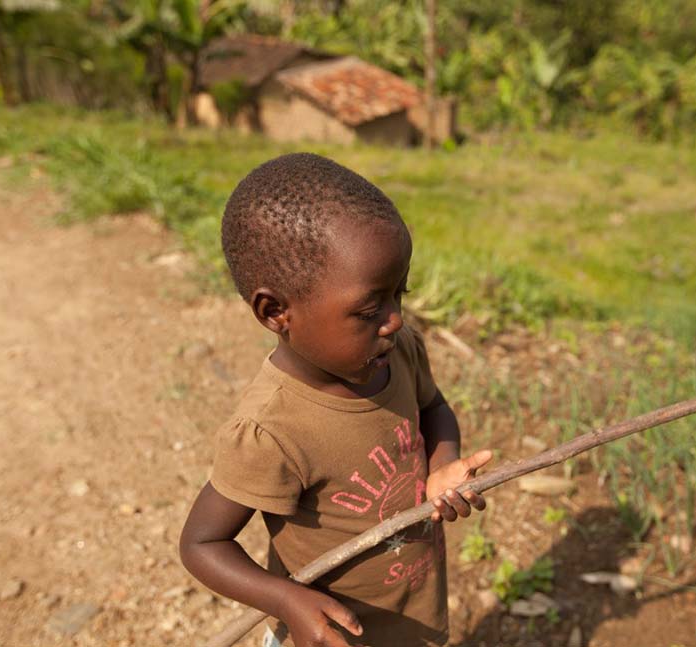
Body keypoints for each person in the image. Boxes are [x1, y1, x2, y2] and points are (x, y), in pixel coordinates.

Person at [179, 153, 492, 647]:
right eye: (370, 310)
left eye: (399, 294)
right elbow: (202, 544)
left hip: (414, 620)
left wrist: (443, 465)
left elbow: (434, 409)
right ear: (276, 311)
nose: (394, 320)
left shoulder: (399, 353)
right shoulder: (274, 430)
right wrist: (286, 602)